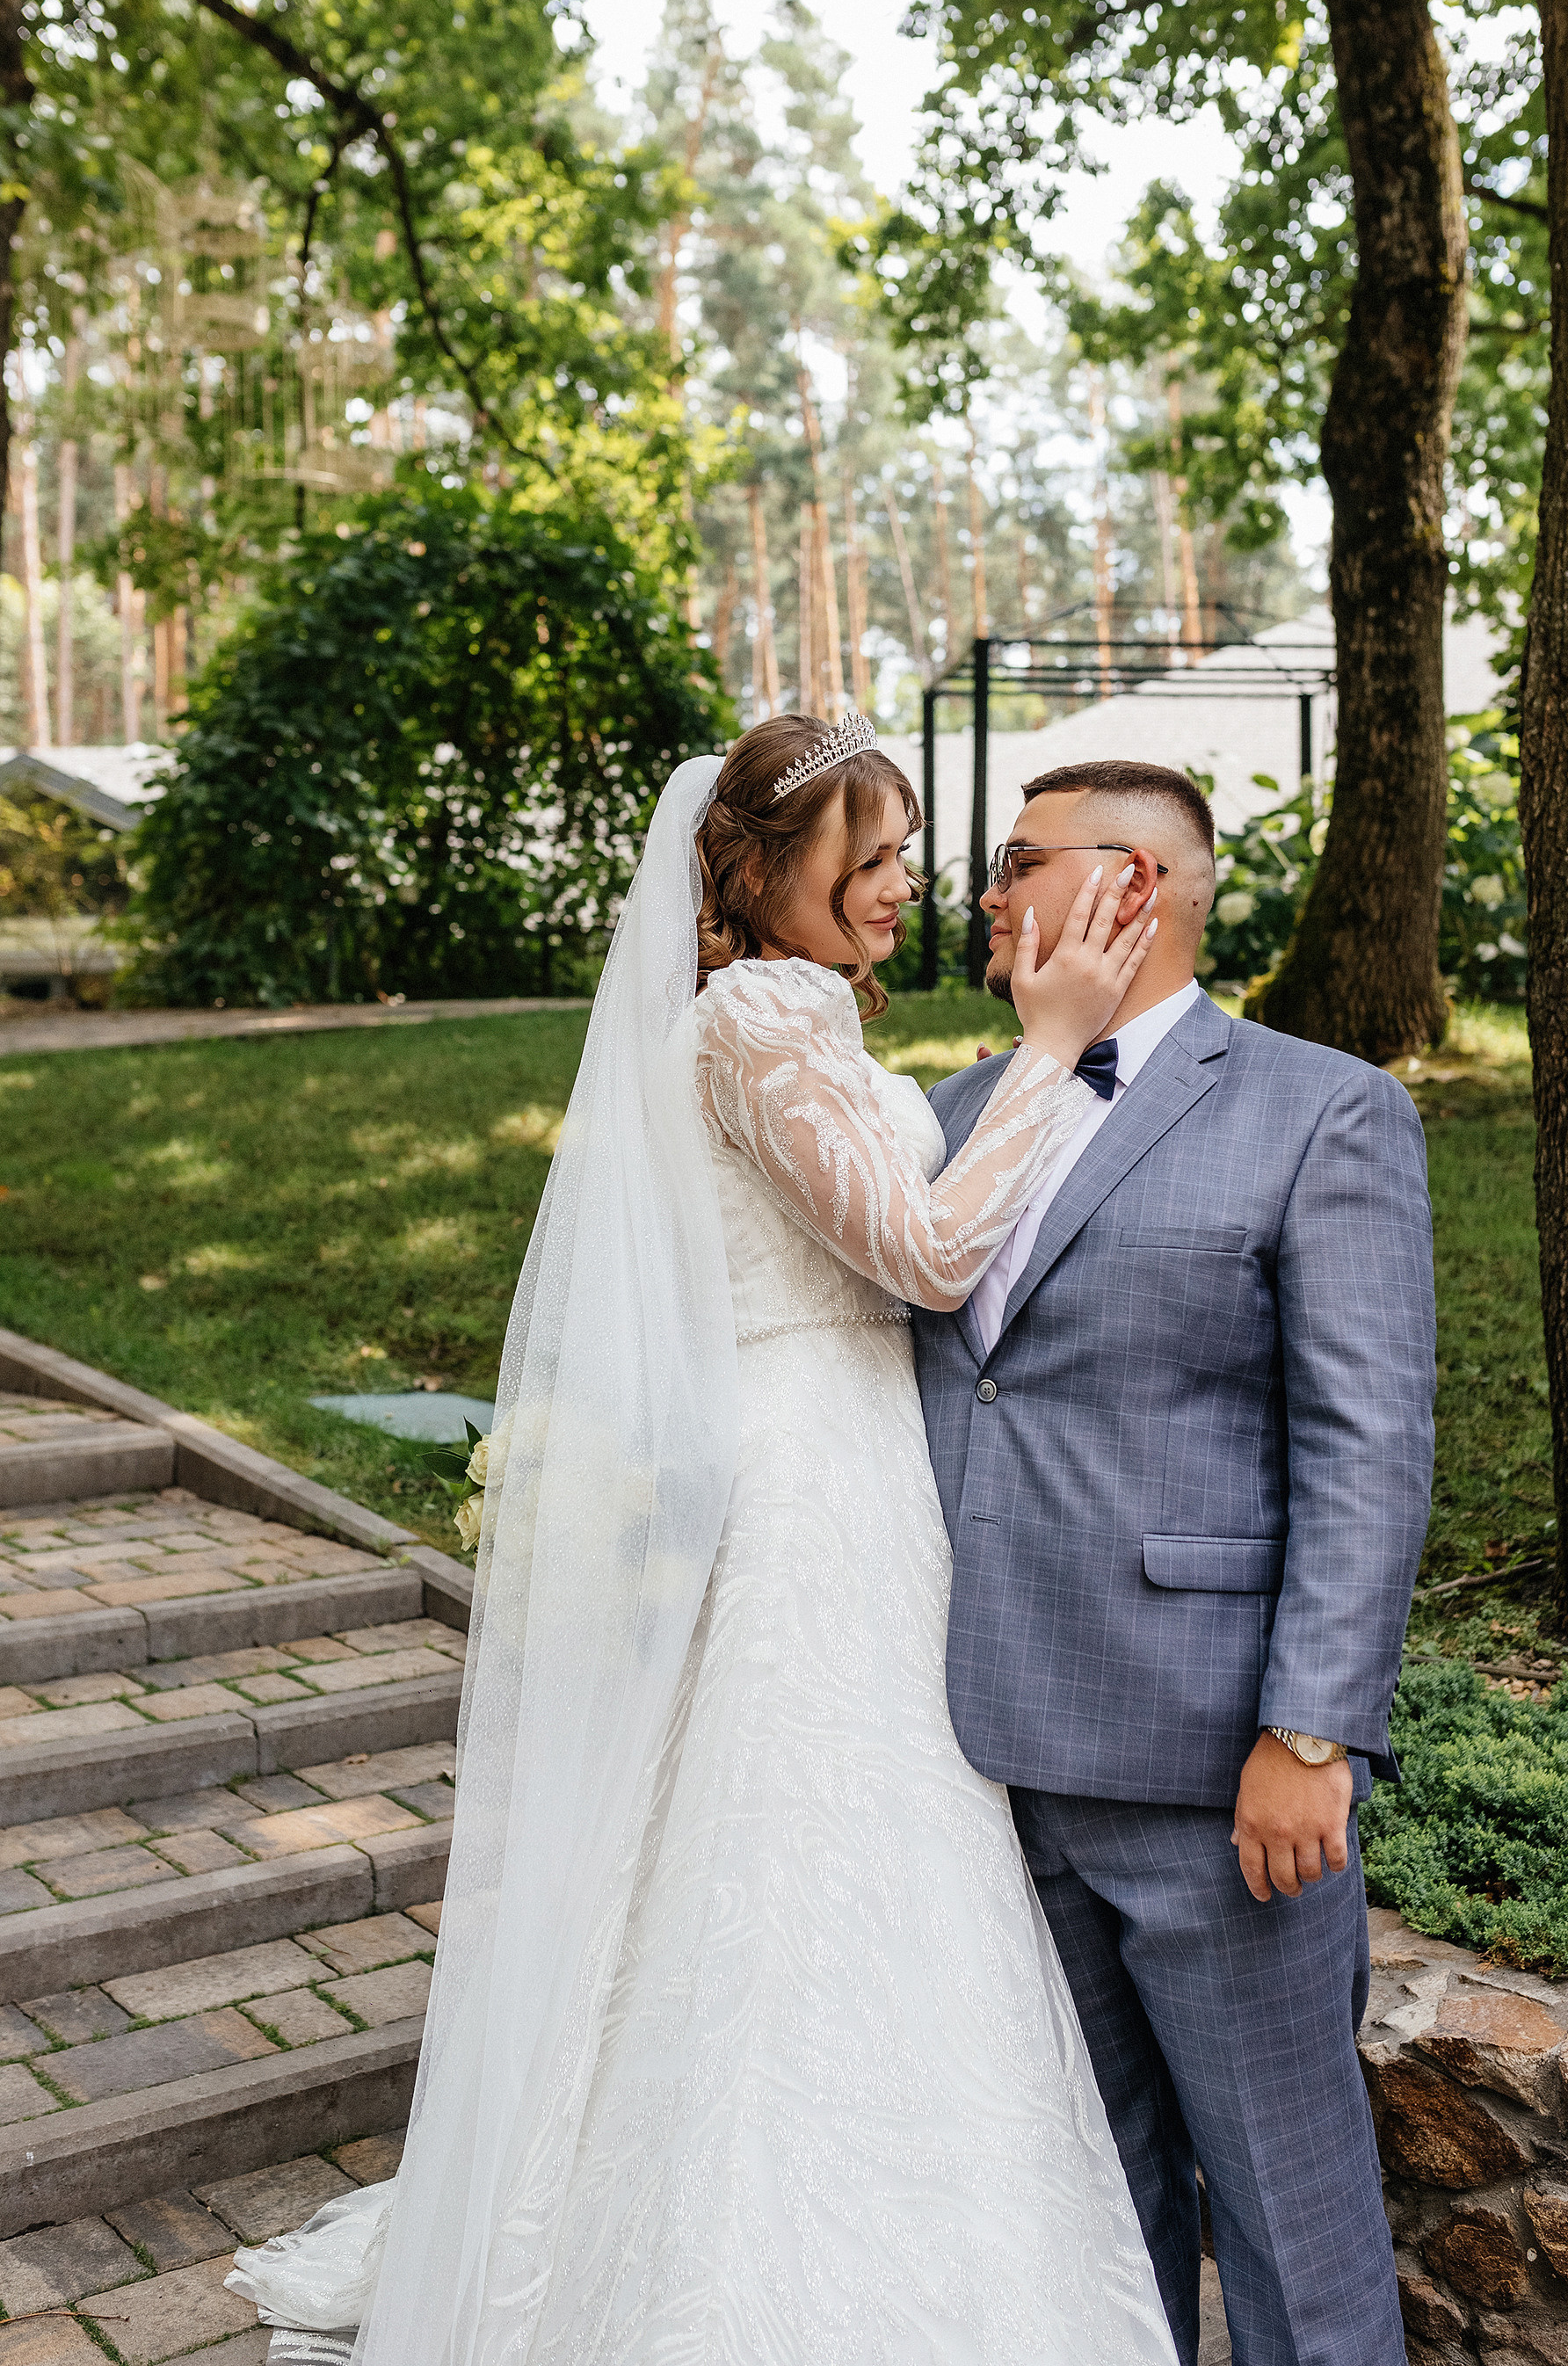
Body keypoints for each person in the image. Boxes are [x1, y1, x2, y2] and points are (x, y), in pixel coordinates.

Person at [233, 715, 1182, 2366]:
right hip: (805, 1482)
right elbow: (928, 1252)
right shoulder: (749, 1021)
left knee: (859, 1853)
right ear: (765, 872)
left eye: (899, 858)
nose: (902, 889)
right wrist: (1056, 1044)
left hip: (865, 1469)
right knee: (794, 1844)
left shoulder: (795, 1016)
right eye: (867, 860)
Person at [911, 758, 1435, 2366]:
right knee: (1085, 2198)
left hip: (1213, 1771)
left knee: (1289, 2205)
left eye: (1017, 860)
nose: (987, 895)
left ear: (1127, 887)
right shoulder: (946, 1116)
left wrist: (1310, 1732)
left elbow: (1368, 1442)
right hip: (982, 1755)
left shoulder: (1321, 1108)